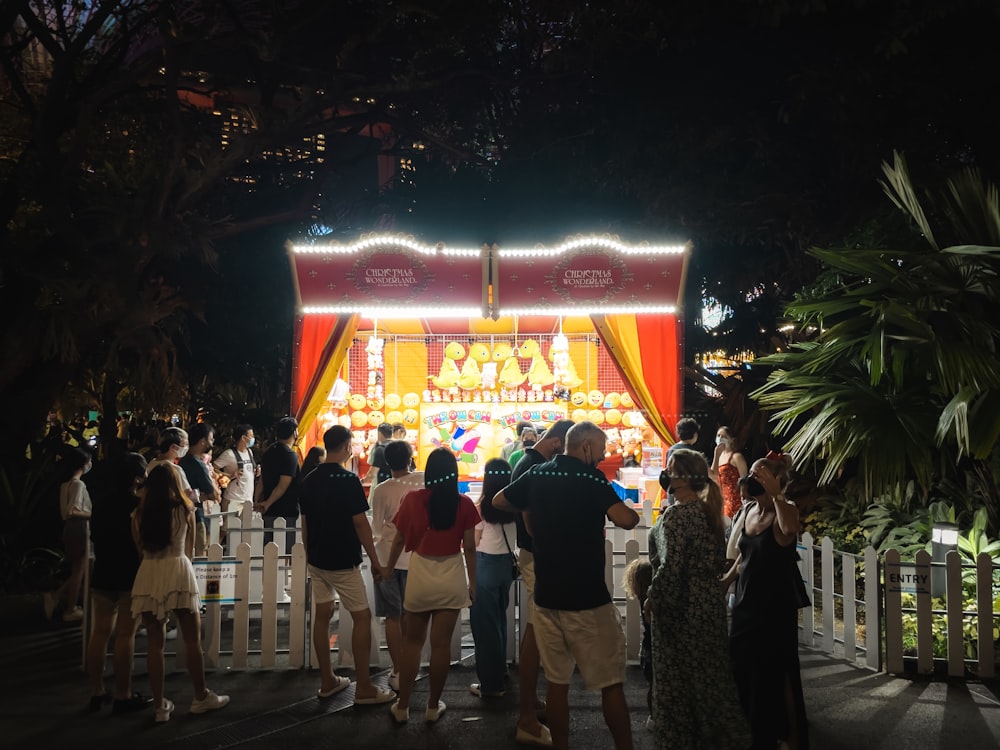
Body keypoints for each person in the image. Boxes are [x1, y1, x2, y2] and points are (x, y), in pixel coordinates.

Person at [494, 421, 639, 750]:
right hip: (587, 599)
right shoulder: (590, 478)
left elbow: (501, 500)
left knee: (556, 684)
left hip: (547, 598)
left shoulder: (538, 474)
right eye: (600, 452)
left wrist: (535, 505)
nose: (602, 458)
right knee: (611, 684)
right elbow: (625, 519)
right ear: (586, 447)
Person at [647, 448, 750, 749]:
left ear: (681, 479)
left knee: (676, 680)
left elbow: (671, 566)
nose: (665, 475)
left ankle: (680, 739)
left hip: (680, 608)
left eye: (670, 470)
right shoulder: (708, 514)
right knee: (710, 677)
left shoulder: (676, 516)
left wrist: (652, 598)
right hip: (708, 605)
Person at [298, 425, 396, 705]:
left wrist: (310, 555)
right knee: (362, 617)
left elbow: (305, 524)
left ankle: (328, 680)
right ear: (345, 446)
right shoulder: (348, 480)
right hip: (342, 559)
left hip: (317, 559)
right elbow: (360, 523)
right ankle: (364, 687)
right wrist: (375, 561)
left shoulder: (309, 480)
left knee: (322, 615)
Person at [385, 448, 479, 724]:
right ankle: (432, 706)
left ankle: (402, 707)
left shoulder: (414, 500)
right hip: (451, 575)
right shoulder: (464, 504)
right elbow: (470, 549)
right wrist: (473, 583)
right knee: (440, 647)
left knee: (412, 643)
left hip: (420, 573)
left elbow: (399, 539)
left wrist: (389, 568)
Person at [723, 451, 809, 750]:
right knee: (742, 665)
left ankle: (789, 737)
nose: (751, 481)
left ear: (776, 480)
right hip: (746, 602)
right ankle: (752, 730)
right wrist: (726, 582)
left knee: (778, 670)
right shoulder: (747, 511)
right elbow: (745, 555)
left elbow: (790, 531)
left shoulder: (786, 510)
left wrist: (777, 497)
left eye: (760, 476)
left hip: (774, 606)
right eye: (753, 475)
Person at [131, 464, 230, 722]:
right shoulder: (185, 509)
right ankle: (200, 696)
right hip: (178, 569)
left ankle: (160, 707)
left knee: (155, 644)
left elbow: (140, 549)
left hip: (149, 572)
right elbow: (190, 549)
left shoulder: (139, 514)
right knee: (191, 639)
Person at [507, 417, 572, 746]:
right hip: (537, 557)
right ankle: (527, 718)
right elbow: (531, 523)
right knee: (535, 631)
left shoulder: (529, 462)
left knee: (536, 630)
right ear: (559, 443)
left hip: (533, 555)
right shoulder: (533, 466)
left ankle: (530, 706)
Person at [85, 452, 153, 714]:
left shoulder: (99, 503)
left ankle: (96, 692)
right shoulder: (137, 505)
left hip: (102, 573)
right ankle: (123, 694)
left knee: (99, 633)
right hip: (129, 576)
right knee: (125, 635)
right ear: (137, 477)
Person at [369, 439, 424, 691]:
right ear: (410, 457)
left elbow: (377, 529)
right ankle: (412, 664)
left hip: (387, 559)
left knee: (393, 615)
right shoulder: (423, 479)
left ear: (386, 462)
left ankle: (399, 669)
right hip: (418, 558)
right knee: (413, 614)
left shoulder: (381, 490)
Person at [469, 457, 516, 699]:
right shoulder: (514, 505)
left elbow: (474, 543)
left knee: (484, 626)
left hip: (485, 565)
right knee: (499, 619)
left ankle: (490, 685)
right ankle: (500, 670)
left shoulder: (482, 507)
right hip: (506, 566)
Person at [44, 447, 93, 622]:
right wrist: (94, 514)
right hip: (78, 528)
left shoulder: (65, 485)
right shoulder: (78, 484)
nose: (90, 464)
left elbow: (65, 512)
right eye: (89, 461)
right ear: (84, 464)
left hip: (68, 528)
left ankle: (58, 598)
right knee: (79, 570)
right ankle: (70, 609)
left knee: (78, 569)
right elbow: (73, 510)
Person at [255, 417, 301, 554]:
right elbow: (283, 485)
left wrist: (258, 500)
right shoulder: (290, 455)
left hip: (268, 511)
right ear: (294, 433)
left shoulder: (269, 452)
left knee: (270, 551)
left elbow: (262, 479)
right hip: (286, 511)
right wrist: (268, 502)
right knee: (284, 553)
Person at [178, 422, 218, 557]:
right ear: (202, 441)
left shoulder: (183, 461)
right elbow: (214, 495)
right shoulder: (198, 465)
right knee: (199, 555)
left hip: (182, 515)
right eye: (211, 439)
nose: (212, 443)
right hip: (197, 516)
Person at [621, 558, 652, 731]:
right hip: (653, 648)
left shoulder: (642, 598)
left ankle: (652, 716)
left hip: (645, 649)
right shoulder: (651, 600)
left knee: (651, 687)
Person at [213, 424, 259, 516]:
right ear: (243, 438)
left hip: (247, 499)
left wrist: (256, 472)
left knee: (245, 529)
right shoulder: (229, 454)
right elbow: (213, 468)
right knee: (227, 528)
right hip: (233, 499)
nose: (253, 438)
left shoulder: (249, 452)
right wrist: (229, 476)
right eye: (251, 436)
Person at [710, 425, 748, 519]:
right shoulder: (718, 456)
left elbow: (745, 480)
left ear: (731, 440)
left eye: (724, 436)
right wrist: (716, 455)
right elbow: (713, 476)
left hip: (735, 500)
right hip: (721, 500)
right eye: (718, 435)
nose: (720, 439)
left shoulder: (736, 457)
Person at [664, 417, 700, 507]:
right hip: (687, 496)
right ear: (694, 434)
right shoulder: (693, 453)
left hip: (672, 493)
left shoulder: (671, 450)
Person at [363, 422, 394, 489]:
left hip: (383, 487)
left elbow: (372, 473)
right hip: (399, 486)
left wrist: (362, 481)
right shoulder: (400, 446)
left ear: (379, 433)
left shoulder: (380, 449)